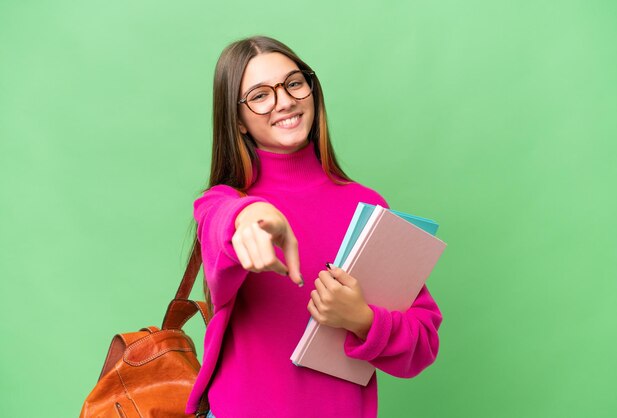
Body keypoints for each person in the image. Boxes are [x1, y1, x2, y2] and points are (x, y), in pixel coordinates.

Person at [185, 35, 442, 418]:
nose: (285, 101)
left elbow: (422, 343)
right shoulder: (222, 204)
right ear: (236, 121)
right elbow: (219, 220)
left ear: (311, 89)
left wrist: (362, 319)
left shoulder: (368, 206)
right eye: (259, 95)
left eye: (293, 83)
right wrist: (249, 217)